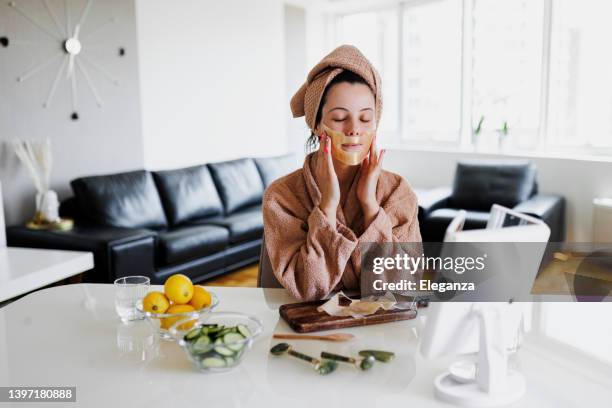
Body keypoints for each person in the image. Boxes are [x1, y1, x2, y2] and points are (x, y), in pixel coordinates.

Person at [262, 44, 421, 301]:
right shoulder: (282, 197)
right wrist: (326, 207)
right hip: (307, 333)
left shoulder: (398, 193)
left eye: (365, 119)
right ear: (317, 125)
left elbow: (402, 288)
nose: (354, 129)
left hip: (381, 330)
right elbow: (307, 288)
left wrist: (370, 207)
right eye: (339, 118)